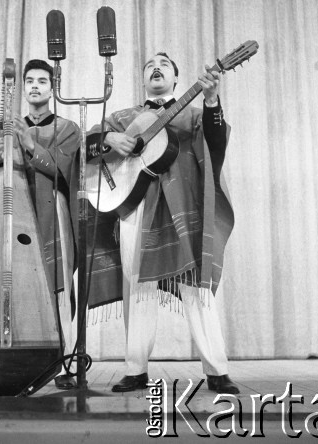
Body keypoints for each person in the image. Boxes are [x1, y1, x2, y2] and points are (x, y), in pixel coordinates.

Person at [85, 52, 239, 394]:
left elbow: (216, 146)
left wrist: (212, 99)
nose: (156, 68)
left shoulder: (194, 112)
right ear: (143, 79)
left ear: (175, 80)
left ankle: (217, 371)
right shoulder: (122, 117)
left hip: (181, 204)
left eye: (165, 65)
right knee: (137, 285)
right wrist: (108, 139)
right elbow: (87, 145)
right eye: (150, 65)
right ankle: (135, 370)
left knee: (195, 284)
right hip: (135, 204)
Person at [0, 59, 80, 390]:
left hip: (51, 217)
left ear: (52, 87)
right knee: (15, 289)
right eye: (29, 81)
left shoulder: (67, 129)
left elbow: (66, 171)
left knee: (58, 290)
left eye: (42, 81)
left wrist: (30, 144)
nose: (35, 86)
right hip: (13, 220)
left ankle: (68, 366)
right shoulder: (1, 131)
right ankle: (18, 361)